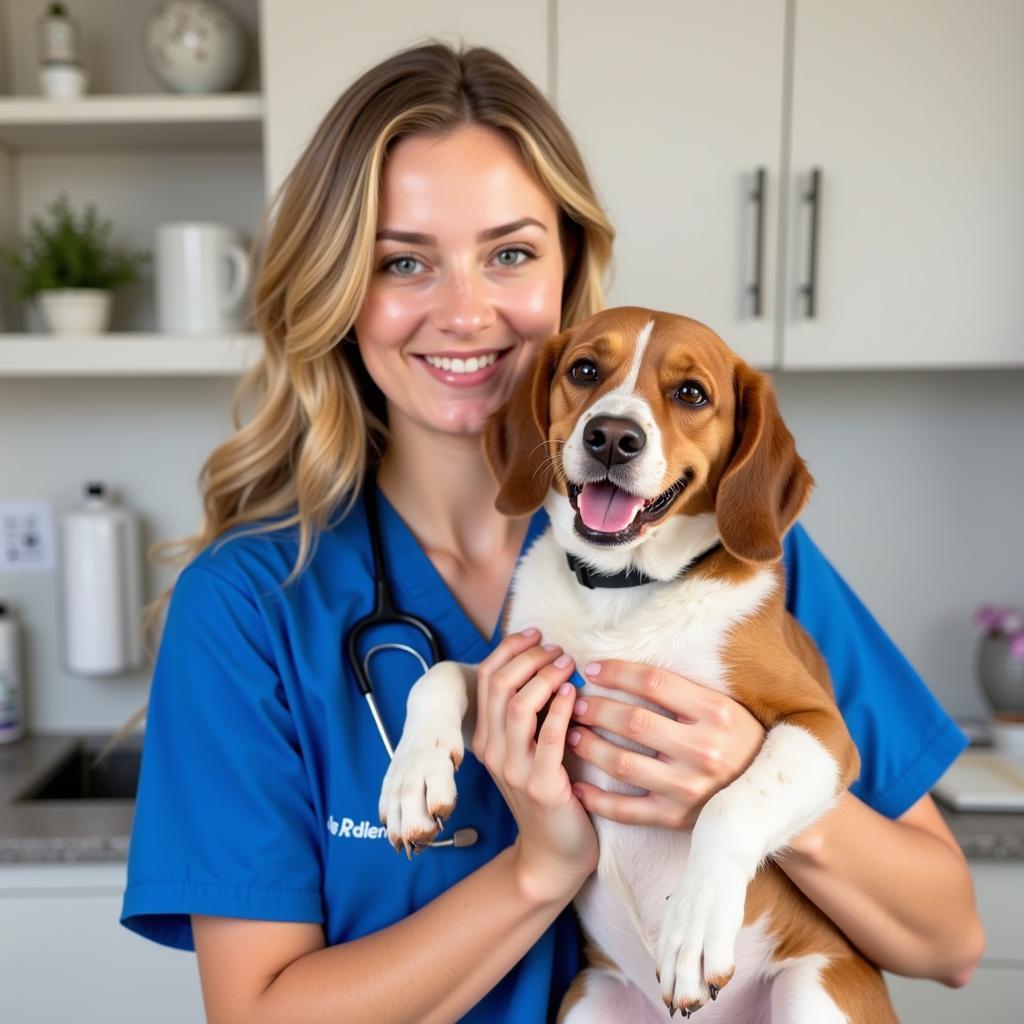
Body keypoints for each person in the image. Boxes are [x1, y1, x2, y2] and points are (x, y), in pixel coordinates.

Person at [120, 42, 983, 1023]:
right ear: (338, 289)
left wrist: (754, 795)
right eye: (403, 260)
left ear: (569, 265)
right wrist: (539, 868)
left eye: (510, 253)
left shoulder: (729, 548)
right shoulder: (248, 606)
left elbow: (949, 938)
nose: (464, 312)